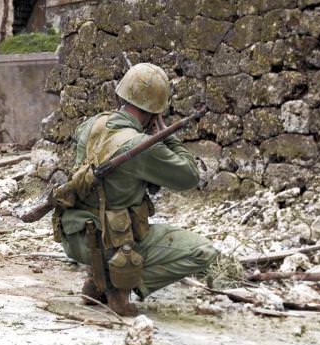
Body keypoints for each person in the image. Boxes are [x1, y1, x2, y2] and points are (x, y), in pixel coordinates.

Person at [56, 63, 217, 316]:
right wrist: (166, 135)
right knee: (203, 252)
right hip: (111, 241)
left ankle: (97, 279)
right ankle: (118, 286)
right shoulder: (140, 146)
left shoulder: (91, 125)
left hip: (75, 238)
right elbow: (189, 177)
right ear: (156, 112)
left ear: (121, 95)